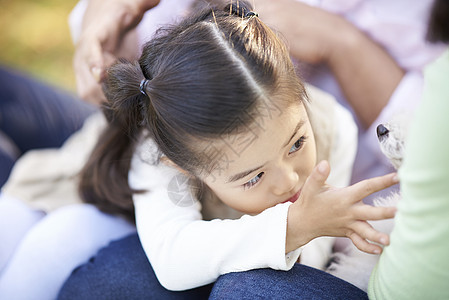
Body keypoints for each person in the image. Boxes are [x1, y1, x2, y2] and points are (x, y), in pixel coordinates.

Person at [56, 2, 396, 298]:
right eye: (254, 177)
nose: (289, 180)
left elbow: (313, 260)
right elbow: (172, 258)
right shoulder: (163, 152)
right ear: (181, 167)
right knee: (64, 243)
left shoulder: (333, 127)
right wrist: (296, 225)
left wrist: (313, 227)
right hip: (87, 204)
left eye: (296, 144)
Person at [69, 0, 446, 203]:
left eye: (298, 142)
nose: (289, 181)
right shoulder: (160, 176)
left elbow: (433, 154)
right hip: (128, 149)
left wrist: (342, 44)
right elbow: (156, 58)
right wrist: (102, 19)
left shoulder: (335, 134)